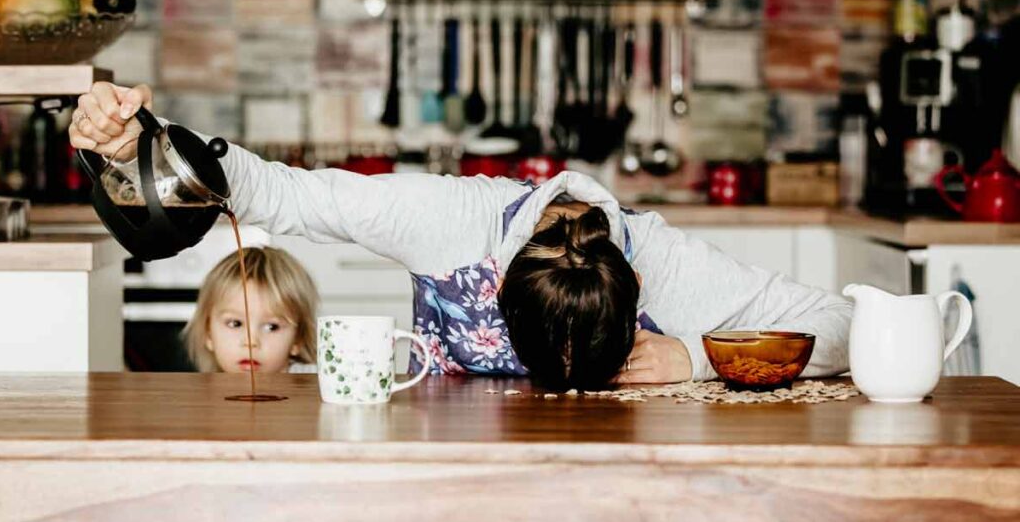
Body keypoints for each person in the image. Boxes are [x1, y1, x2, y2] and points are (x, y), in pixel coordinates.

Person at [72, 82, 851, 389]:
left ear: (638, 287)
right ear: (497, 279)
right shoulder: (447, 220)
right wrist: (132, 137)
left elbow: (846, 325)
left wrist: (696, 357)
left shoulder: (668, 260)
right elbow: (278, 190)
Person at [182, 246, 318, 373]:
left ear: (298, 338)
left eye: (272, 327)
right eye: (235, 324)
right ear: (209, 334)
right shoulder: (206, 389)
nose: (250, 342)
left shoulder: (314, 381)